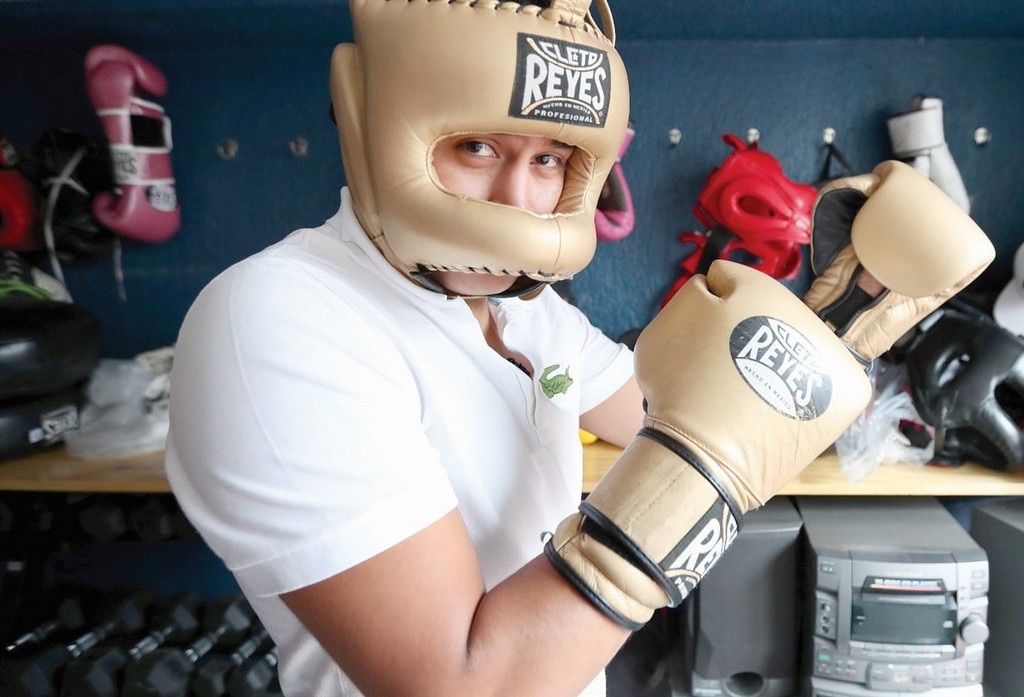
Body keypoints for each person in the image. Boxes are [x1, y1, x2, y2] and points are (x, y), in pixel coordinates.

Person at [165, 1, 993, 696]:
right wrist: (693, 483)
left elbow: (657, 414)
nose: (517, 201)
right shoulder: (278, 316)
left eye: (550, 158)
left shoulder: (526, 309)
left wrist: (830, 329)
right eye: (476, 147)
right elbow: (465, 685)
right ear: (377, 121)